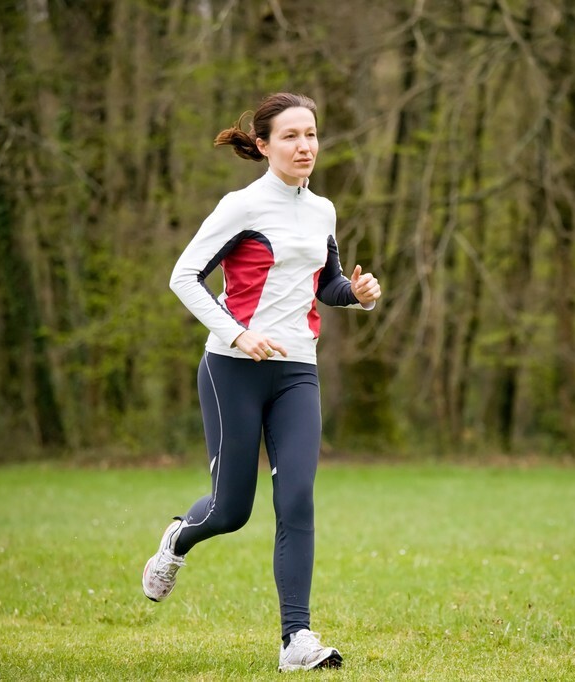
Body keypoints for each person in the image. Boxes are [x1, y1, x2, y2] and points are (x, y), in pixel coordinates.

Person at [142, 92, 381, 673]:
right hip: (233, 369)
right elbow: (184, 276)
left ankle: (295, 640)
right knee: (231, 509)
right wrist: (237, 335)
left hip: (299, 369)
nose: (306, 146)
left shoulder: (322, 209)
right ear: (266, 144)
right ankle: (177, 539)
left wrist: (357, 293)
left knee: (297, 497)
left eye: (313, 134)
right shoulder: (240, 206)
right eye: (292, 136)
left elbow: (324, 284)